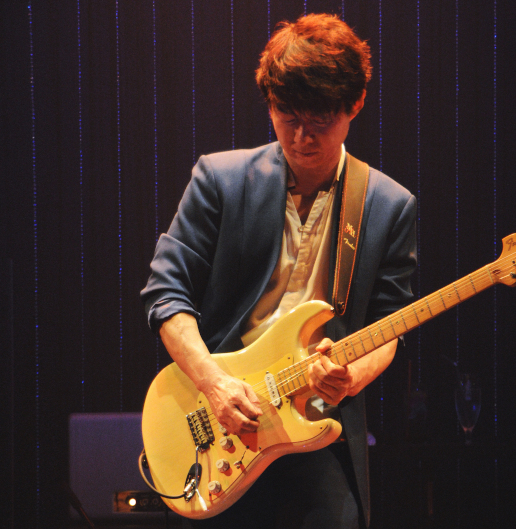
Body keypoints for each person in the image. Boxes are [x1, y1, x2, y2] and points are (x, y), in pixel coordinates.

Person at [141, 13, 417, 529]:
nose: (302, 136)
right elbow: (165, 293)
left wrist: (349, 378)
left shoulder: (387, 205)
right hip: (223, 418)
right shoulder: (219, 179)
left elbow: (390, 323)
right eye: (287, 116)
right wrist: (215, 384)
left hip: (316, 421)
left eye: (320, 119)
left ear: (355, 104)